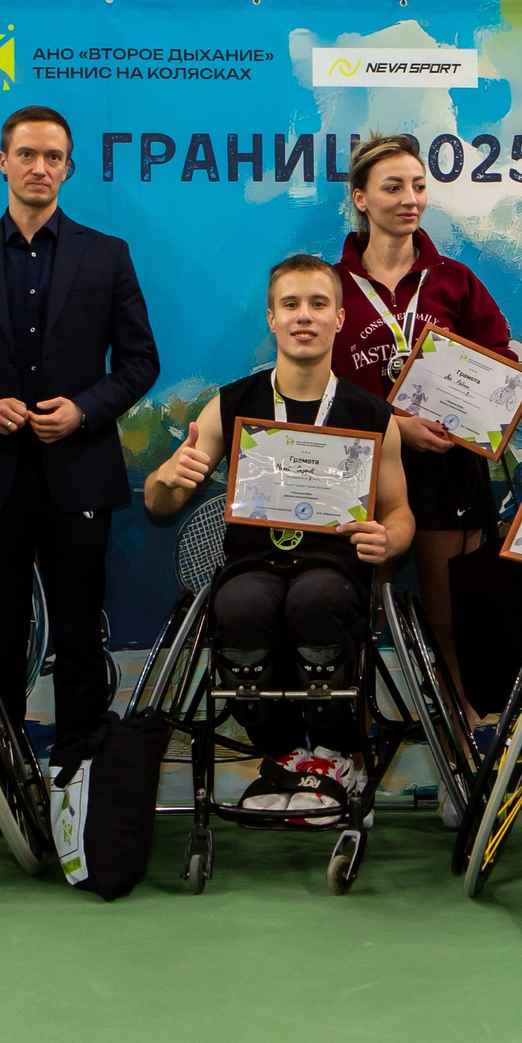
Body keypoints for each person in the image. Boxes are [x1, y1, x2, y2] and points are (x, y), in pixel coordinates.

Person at [0, 106, 158, 838]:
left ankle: (79, 784)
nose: (39, 167)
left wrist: (83, 410)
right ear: (2, 160)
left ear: (68, 166)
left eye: (54, 156)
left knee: (81, 637)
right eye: (27, 153)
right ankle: (0, 785)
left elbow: (140, 362)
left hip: (79, 473)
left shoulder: (106, 254)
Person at [144, 254, 414, 819]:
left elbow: (399, 513)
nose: (304, 316)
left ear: (340, 318)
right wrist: (168, 480)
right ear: (270, 317)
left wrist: (389, 541)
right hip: (253, 568)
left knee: (315, 599)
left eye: (318, 304)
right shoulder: (231, 403)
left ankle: (335, 753)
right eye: (290, 304)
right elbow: (158, 499)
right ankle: (283, 755)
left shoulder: (371, 413)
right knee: (239, 605)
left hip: (335, 570)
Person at [333, 133, 513, 728]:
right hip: (360, 467)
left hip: (446, 467)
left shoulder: (452, 279)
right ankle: (344, 739)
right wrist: (394, 427)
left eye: (418, 185)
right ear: (360, 198)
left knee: (451, 612)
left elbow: (498, 361)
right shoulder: (331, 286)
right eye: (392, 187)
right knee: (351, 606)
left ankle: (465, 730)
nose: (410, 198)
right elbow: (316, 381)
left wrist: (470, 414)